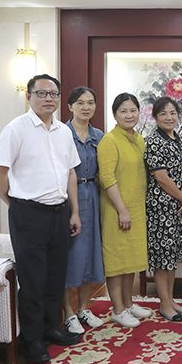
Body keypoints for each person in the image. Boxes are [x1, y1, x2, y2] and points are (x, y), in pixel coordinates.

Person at [0, 74, 82, 364]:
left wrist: (75, 211)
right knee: (32, 280)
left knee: (55, 276)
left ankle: (51, 328)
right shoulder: (15, 129)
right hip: (28, 214)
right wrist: (15, 203)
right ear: (28, 96)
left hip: (59, 212)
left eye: (53, 93)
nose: (48, 98)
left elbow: (71, 172)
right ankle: (32, 340)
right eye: (41, 93)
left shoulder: (63, 131)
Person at [98, 92, 151, 328]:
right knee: (116, 261)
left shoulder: (138, 139)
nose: (129, 115)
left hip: (136, 207)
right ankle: (118, 309)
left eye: (133, 110)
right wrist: (122, 210)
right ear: (115, 115)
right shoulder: (110, 141)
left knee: (131, 259)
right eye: (123, 111)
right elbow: (106, 177)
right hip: (117, 208)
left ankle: (128, 303)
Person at [145, 97, 182, 322]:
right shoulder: (153, 141)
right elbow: (161, 177)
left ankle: (171, 299)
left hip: (178, 205)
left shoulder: (179, 138)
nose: (169, 117)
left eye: (173, 113)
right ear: (155, 117)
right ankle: (164, 304)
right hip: (160, 206)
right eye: (163, 113)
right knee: (162, 257)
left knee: (172, 256)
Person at [62, 87, 106, 334]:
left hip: (93, 195)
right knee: (71, 255)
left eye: (90, 102)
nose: (86, 107)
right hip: (69, 196)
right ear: (70, 106)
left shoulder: (99, 136)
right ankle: (68, 312)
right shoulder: (61, 134)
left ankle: (84, 308)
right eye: (80, 103)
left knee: (90, 252)